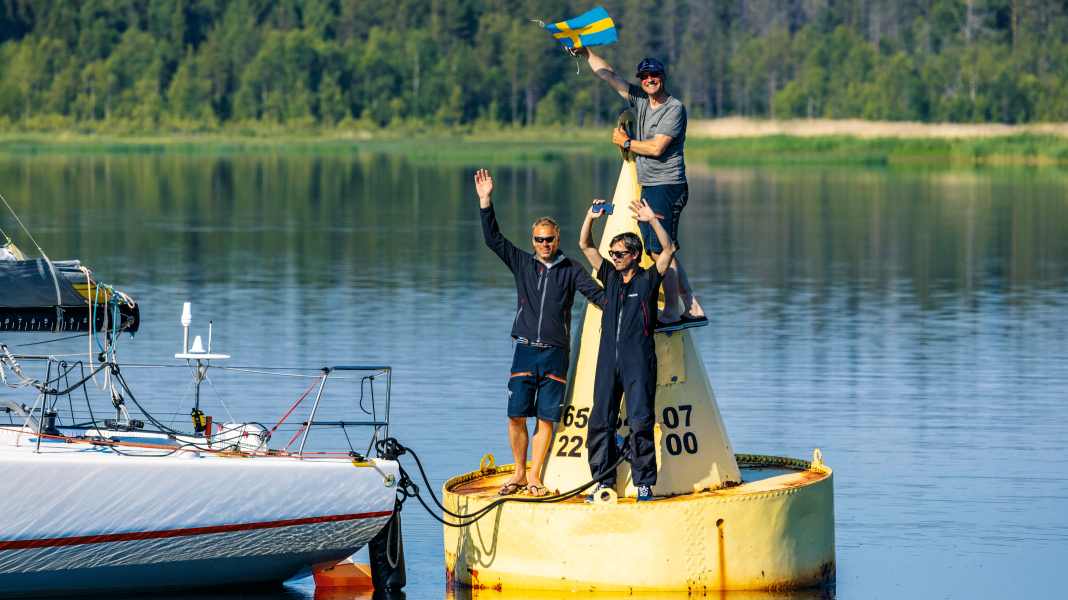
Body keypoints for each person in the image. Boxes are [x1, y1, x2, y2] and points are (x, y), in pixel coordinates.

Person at [475, 168, 605, 497]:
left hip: (555, 353)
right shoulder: (523, 263)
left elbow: (599, 297)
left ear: (557, 239)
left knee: (546, 419)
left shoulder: (571, 269)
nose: (544, 244)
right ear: (533, 241)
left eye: (549, 239)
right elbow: (493, 240)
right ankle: (519, 472)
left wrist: (632, 298)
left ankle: (534, 476)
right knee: (516, 415)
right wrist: (485, 201)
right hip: (525, 350)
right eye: (539, 240)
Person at [574, 47, 706, 330]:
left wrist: (625, 142)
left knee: (661, 250)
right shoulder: (641, 100)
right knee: (660, 249)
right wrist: (585, 52)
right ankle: (692, 305)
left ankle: (672, 311)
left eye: (653, 75)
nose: (649, 80)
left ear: (663, 77)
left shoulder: (674, 108)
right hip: (651, 185)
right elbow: (609, 76)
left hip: (667, 185)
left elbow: (657, 148)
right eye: (644, 77)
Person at [577, 197, 676, 501]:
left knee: (640, 422)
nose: (615, 258)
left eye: (620, 254)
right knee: (600, 422)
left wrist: (651, 220)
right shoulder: (610, 276)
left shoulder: (648, 280)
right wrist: (590, 217)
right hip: (608, 362)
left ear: (634, 255)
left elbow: (668, 250)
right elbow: (585, 246)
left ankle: (644, 483)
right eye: (613, 254)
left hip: (639, 364)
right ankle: (603, 482)